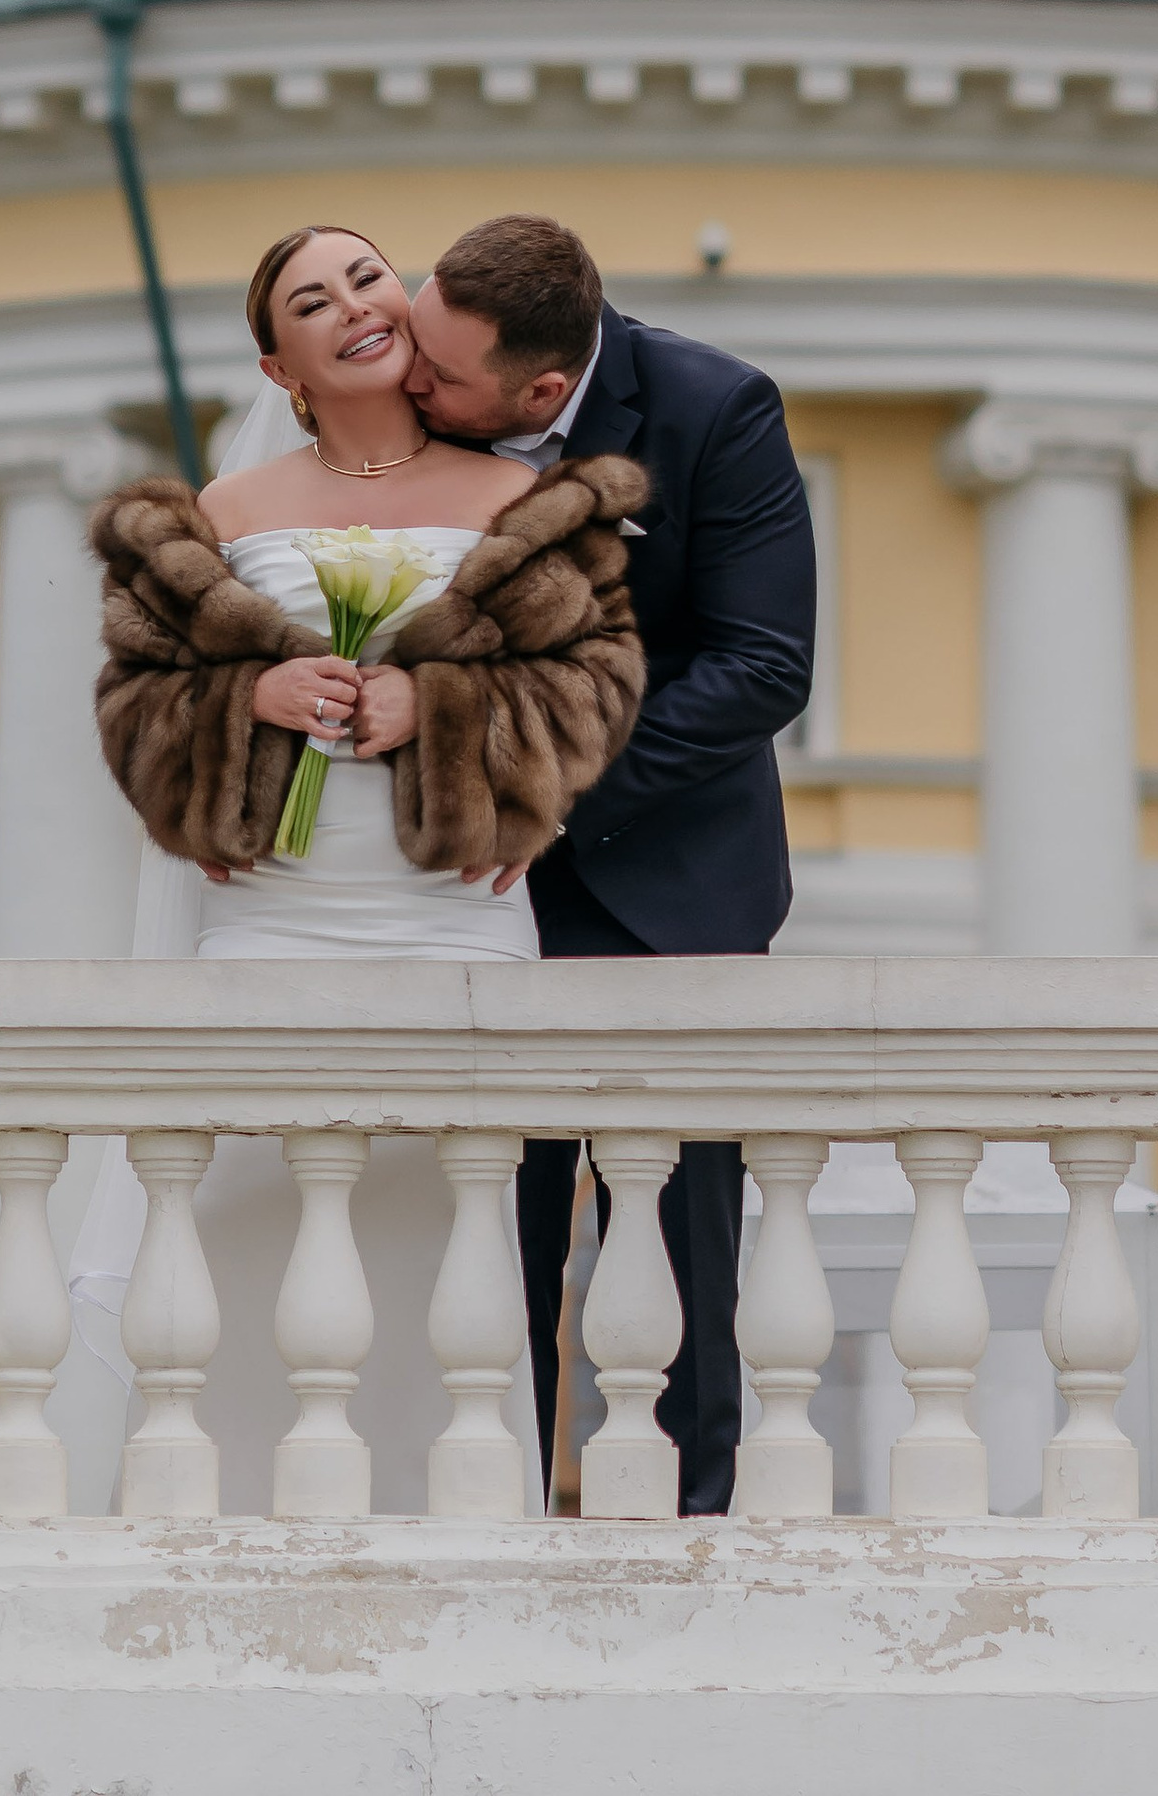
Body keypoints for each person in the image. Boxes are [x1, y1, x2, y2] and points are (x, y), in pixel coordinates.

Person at [71, 222, 645, 1511]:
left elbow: (596, 688)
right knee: (240, 1245)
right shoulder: (216, 521)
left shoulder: (525, 506)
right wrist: (250, 697)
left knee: (457, 1249)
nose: (352, 306)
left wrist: (440, 720)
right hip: (273, 917)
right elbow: (136, 711)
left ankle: (458, 1535)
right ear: (282, 368)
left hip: (455, 916)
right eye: (312, 301)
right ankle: (229, 1538)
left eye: (368, 277)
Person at [404, 213, 817, 1517]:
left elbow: (761, 665)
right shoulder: (416, 406)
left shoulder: (715, 409)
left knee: (683, 1236)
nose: (413, 387)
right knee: (482, 1233)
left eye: (444, 377)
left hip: (669, 884)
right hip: (456, 894)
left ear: (541, 389)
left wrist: (552, 795)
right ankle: (492, 1516)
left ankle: (694, 1531)